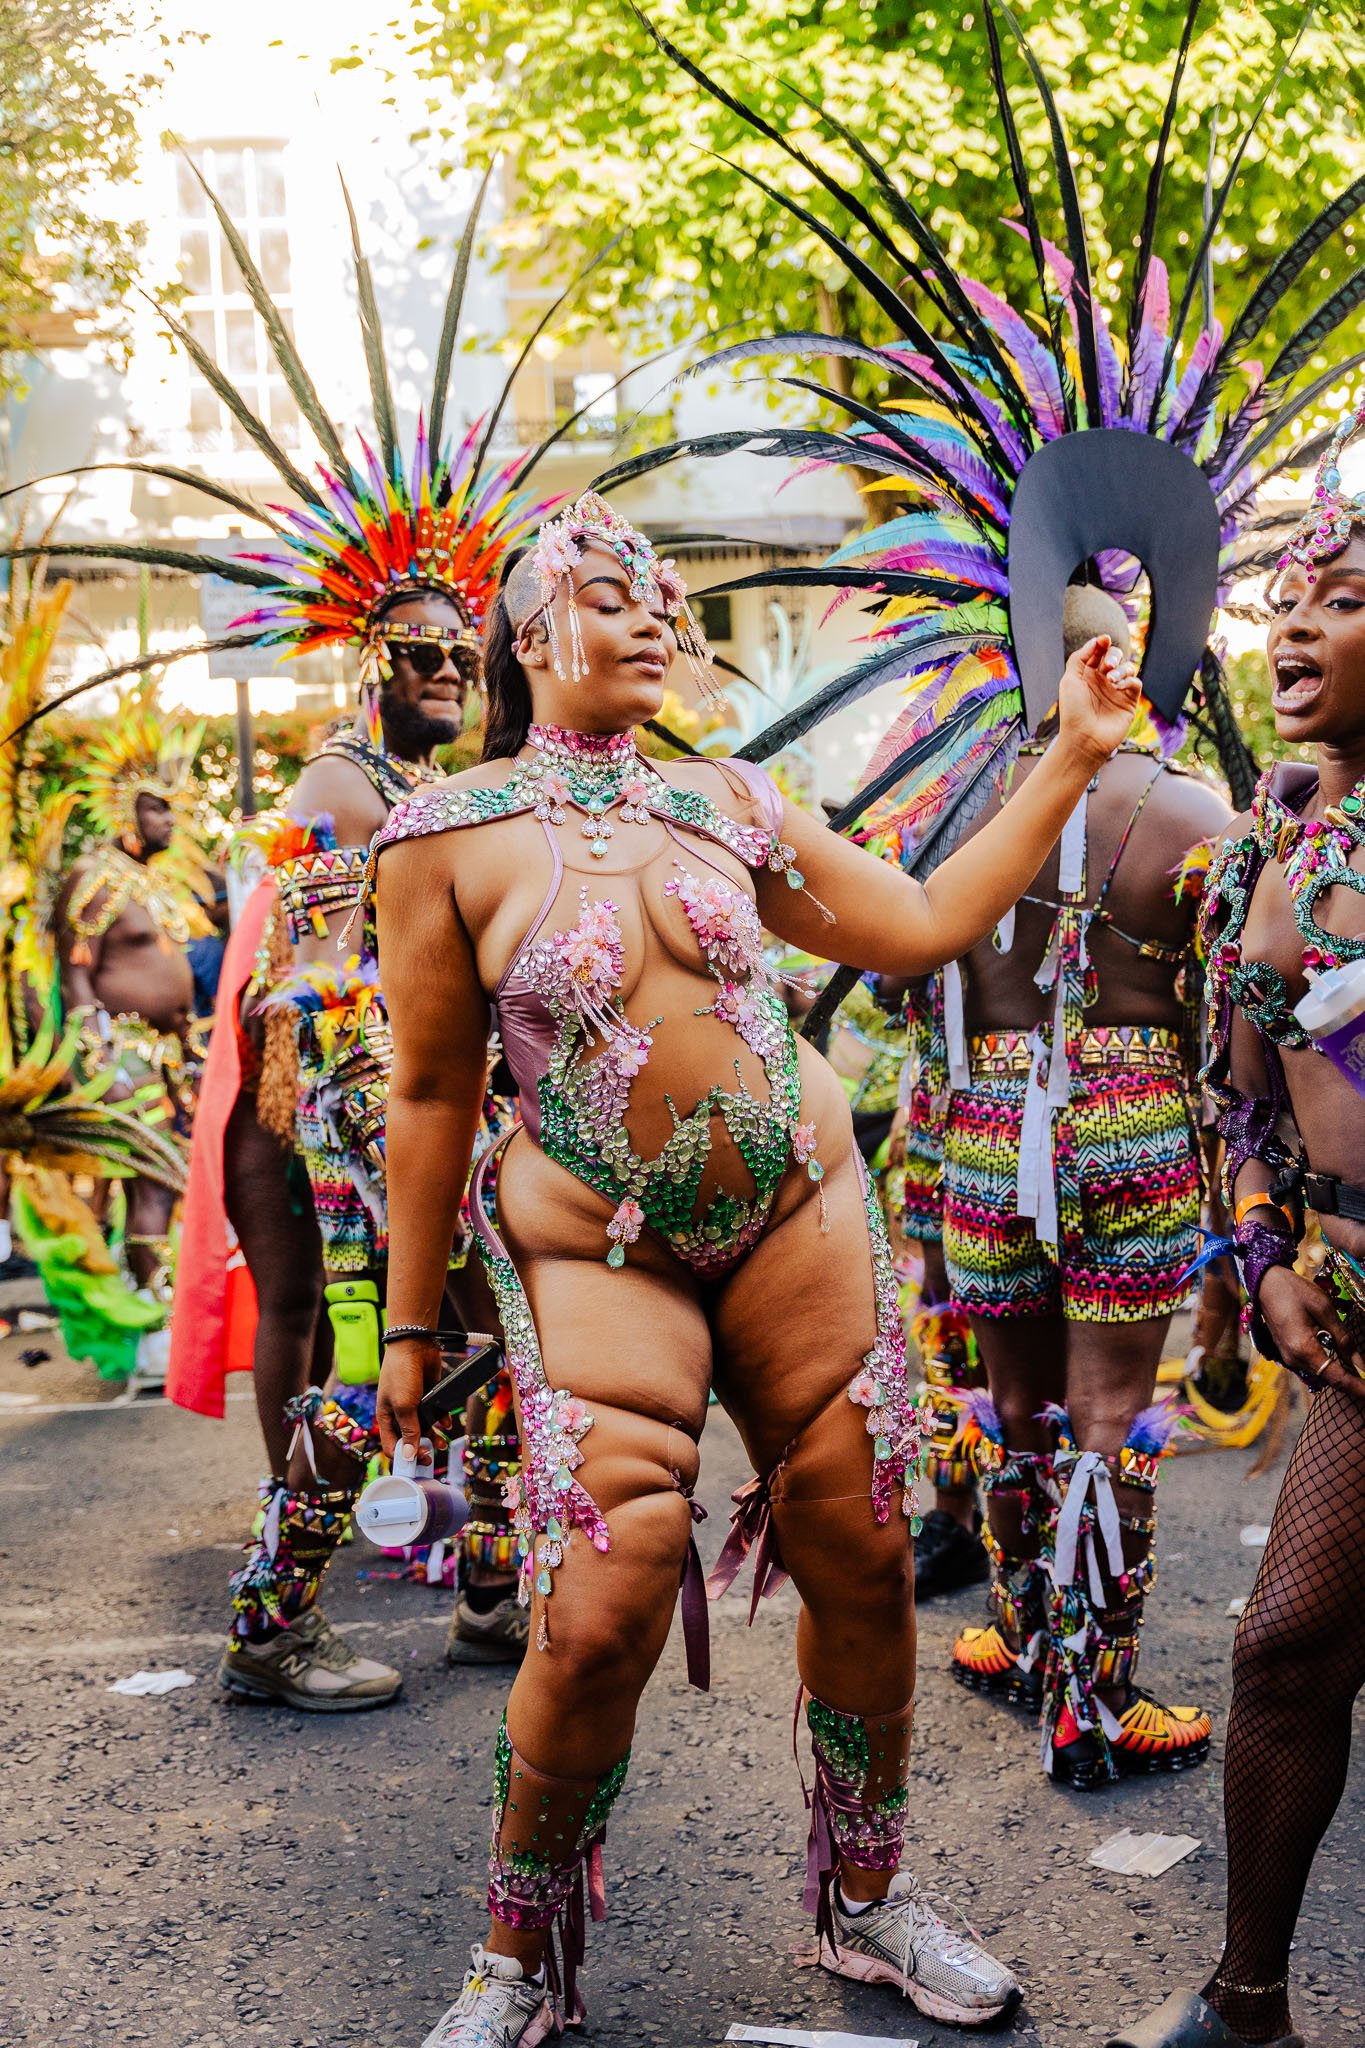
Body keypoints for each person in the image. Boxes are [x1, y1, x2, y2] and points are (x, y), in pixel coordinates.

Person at [370, 489, 1140, 2045]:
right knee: (605, 1594)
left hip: (797, 1213)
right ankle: (514, 1959)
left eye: (664, 597)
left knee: (860, 1547)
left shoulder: (727, 800)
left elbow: (915, 922)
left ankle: (869, 1897)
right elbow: (434, 1091)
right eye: (614, 595)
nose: (656, 617)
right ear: (533, 633)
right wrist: (402, 1328)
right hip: (602, 1250)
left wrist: (1070, 752)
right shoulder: (441, 838)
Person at [1104, 404, 1365, 2048]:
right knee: (1283, 1651)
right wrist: (1264, 1255)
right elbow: (1242, 1096)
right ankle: (1246, 2006)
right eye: (1284, 600)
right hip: (1356, 1312)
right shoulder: (1265, 844)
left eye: (1341, 598)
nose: (1296, 626)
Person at [922, 588, 1234, 1787]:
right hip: (1131, 1117)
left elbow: (909, 979)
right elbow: (1236, 1002)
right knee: (1109, 1408)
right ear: (1122, 661)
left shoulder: (961, 810)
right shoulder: (1190, 810)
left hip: (987, 1121)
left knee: (1016, 1401)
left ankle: (1019, 1634)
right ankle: (1092, 1700)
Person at [50, 695, 211, 1378]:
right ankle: (153, 1327)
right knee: (154, 1180)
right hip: (125, 1051)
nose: (169, 821)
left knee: (164, 1184)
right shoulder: (92, 879)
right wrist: (101, 1060)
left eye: (173, 809)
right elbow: (74, 974)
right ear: (125, 811)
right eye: (156, 809)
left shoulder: (151, 881)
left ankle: (156, 1316)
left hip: (169, 1055)